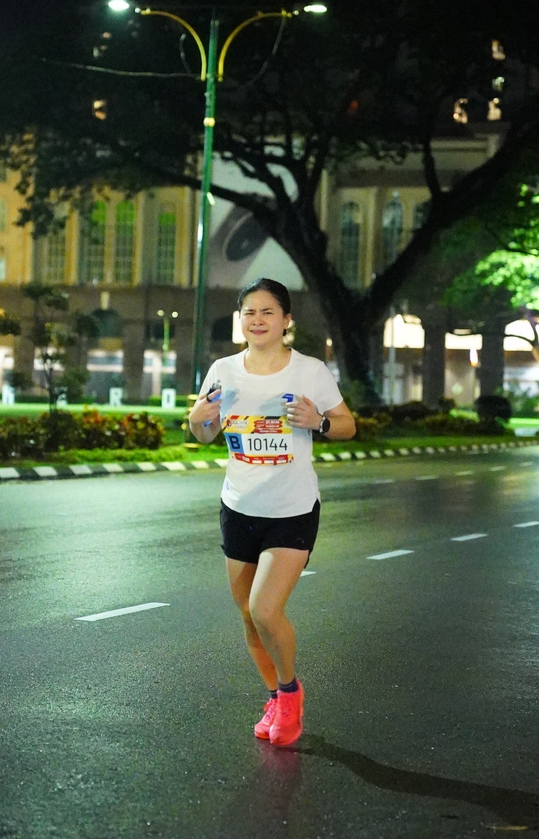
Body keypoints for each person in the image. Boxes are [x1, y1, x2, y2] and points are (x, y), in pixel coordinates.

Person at [188, 278, 356, 746]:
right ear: (240, 320)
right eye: (249, 312)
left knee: (265, 608)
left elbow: (347, 425)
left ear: (286, 320)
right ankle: (274, 698)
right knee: (247, 614)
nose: (257, 320)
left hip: (292, 509)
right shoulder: (223, 370)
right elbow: (205, 433)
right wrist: (197, 420)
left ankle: (290, 692)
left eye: (267, 312)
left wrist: (319, 422)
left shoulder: (309, 371)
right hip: (239, 507)